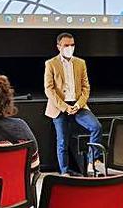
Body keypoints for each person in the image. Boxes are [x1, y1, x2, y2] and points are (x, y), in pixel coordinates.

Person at [44, 32, 103, 175]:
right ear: (59, 47)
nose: (69, 48)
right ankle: (64, 172)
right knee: (62, 141)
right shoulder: (51, 64)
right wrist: (65, 107)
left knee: (96, 127)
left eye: (72, 45)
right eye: (66, 45)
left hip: (78, 105)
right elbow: (49, 89)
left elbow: (86, 87)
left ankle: (91, 161)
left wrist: (78, 105)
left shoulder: (80, 63)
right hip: (60, 106)